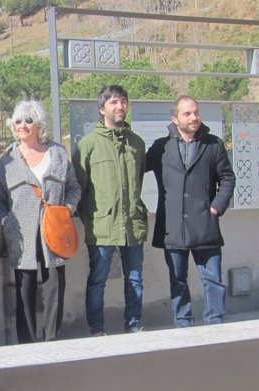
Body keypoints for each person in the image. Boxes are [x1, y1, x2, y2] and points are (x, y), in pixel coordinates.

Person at [0, 100, 81, 343]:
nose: (22, 125)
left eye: (28, 120)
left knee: (54, 287)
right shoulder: (7, 160)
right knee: (24, 291)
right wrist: (7, 220)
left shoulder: (58, 154)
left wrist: (67, 209)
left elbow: (73, 187)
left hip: (54, 231)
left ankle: (52, 340)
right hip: (21, 235)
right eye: (18, 120)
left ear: (39, 124)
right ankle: (27, 343)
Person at [146, 96, 235, 327]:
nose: (194, 117)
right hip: (172, 227)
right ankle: (183, 324)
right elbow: (133, 168)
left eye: (196, 112)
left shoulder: (213, 145)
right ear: (175, 118)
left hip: (205, 224)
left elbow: (227, 178)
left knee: (213, 280)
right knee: (177, 280)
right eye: (187, 114)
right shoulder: (160, 147)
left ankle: (215, 322)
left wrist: (217, 206)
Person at [73, 85, 148, 336]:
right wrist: (95, 216)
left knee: (135, 279)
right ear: (102, 108)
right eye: (114, 102)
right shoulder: (88, 144)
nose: (120, 106)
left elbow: (138, 180)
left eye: (124, 101)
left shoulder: (137, 143)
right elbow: (79, 189)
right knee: (97, 281)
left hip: (132, 224)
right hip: (101, 225)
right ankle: (97, 329)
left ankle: (134, 324)